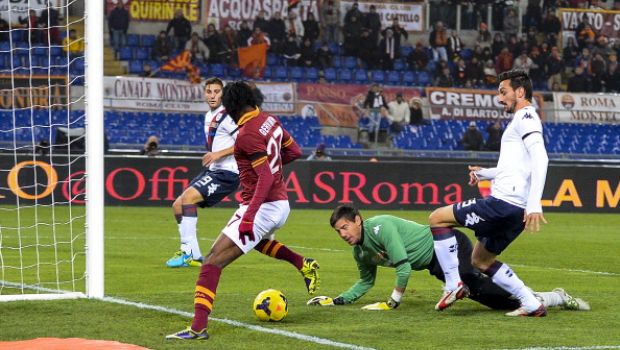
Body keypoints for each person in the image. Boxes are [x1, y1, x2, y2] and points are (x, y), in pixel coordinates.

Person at [166, 81, 320, 340]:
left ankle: (198, 328)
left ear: (231, 106)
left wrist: (249, 216)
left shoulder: (247, 134)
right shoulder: (269, 120)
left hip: (262, 206)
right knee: (255, 243)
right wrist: (273, 165)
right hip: (280, 204)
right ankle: (302, 263)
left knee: (212, 261)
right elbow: (294, 151)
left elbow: (265, 178)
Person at [308, 205, 590, 313]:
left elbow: (403, 267)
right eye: (338, 231)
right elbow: (365, 281)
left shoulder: (381, 226)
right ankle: (549, 298)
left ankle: (543, 299)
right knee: (490, 300)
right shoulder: (359, 251)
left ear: (358, 220)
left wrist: (393, 301)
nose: (342, 234)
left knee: (472, 280)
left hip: (448, 245)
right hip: (437, 266)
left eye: (345, 227)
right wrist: (337, 300)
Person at [428, 69, 550, 317]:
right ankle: (531, 302)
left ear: (520, 92)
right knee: (480, 261)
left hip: (503, 203)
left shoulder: (525, 116)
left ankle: (453, 285)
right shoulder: (521, 120)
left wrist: (535, 203)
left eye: (503, 92)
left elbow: (541, 158)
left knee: (437, 219)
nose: (500, 97)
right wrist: (485, 174)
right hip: (514, 211)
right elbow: (516, 167)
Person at [165, 78, 239, 267]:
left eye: (216, 91)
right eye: (209, 91)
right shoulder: (209, 115)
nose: (212, 95)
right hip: (214, 170)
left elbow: (244, 142)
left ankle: (187, 252)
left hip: (228, 172)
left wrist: (218, 154)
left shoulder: (229, 116)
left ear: (223, 94)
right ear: (204, 94)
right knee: (177, 205)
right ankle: (195, 255)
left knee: (188, 198)